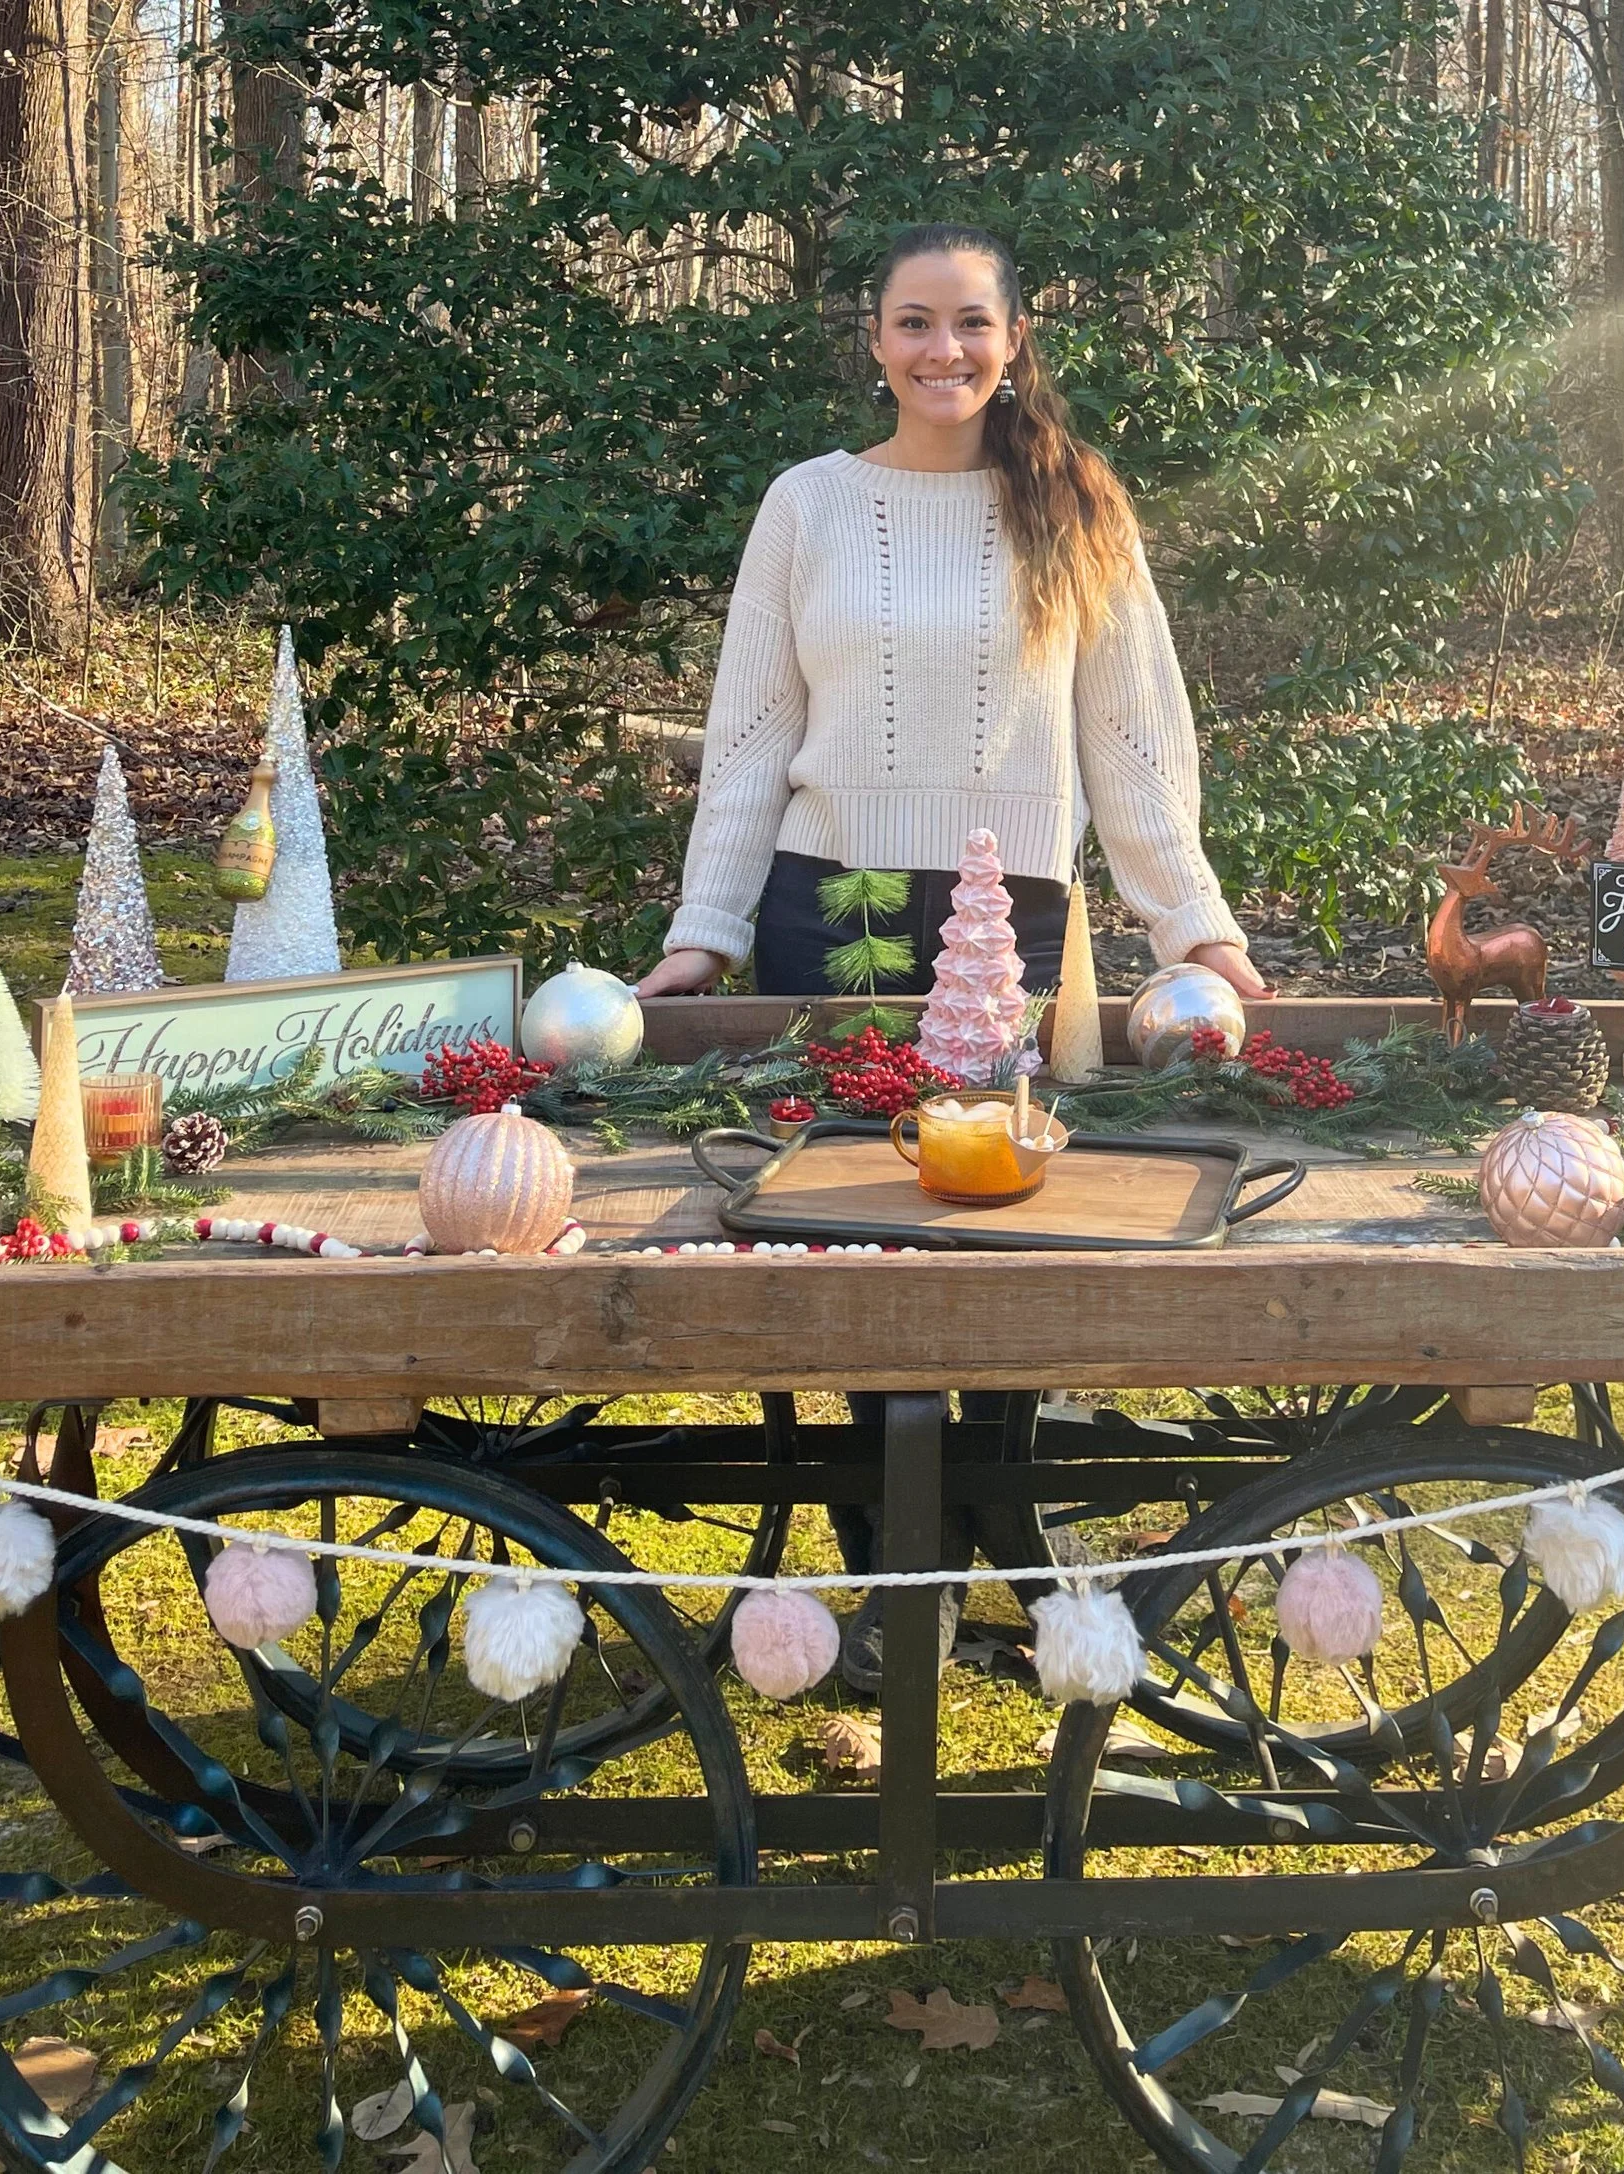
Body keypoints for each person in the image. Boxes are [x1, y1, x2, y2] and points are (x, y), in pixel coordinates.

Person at [636, 221, 1267, 1688]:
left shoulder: (1074, 506)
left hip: (1013, 919)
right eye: (914, 324)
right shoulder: (806, 506)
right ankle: (902, 1597)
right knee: (852, 1249)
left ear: (1015, 335)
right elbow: (750, 739)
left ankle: (1001, 1554)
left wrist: (1197, 925)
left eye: (970, 324)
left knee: (1003, 1241)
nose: (944, 353)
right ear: (874, 340)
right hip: (828, 911)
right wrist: (705, 934)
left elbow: (1131, 739)